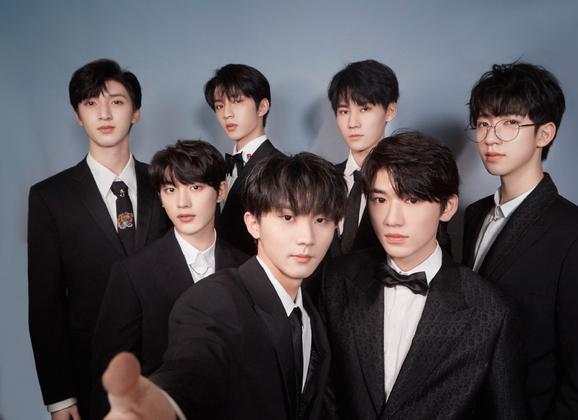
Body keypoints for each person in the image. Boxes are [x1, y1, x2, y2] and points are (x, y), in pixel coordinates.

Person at [101, 152, 347, 420]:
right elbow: (193, 367)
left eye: (321, 220)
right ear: (253, 224)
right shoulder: (214, 300)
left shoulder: (311, 313)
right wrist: (162, 404)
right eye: (288, 217)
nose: (307, 238)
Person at [320, 131, 526, 419]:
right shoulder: (336, 280)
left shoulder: (490, 311)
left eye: (412, 200)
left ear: (447, 207)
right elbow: (322, 396)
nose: (392, 219)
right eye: (380, 199)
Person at [462, 62, 578, 419]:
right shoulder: (474, 216)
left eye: (509, 123)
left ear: (544, 134)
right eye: (484, 123)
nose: (491, 138)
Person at [27, 58, 171, 419]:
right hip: (91, 378)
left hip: (168, 374)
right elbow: (45, 306)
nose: (104, 113)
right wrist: (60, 397)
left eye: (117, 102)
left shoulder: (168, 186)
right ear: (78, 116)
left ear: (136, 112)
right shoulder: (50, 197)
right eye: (91, 103)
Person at [90, 140, 248, 418]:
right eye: (171, 190)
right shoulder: (132, 274)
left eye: (195, 188)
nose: (182, 203)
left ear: (221, 191)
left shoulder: (247, 268)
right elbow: (111, 377)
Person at [204, 63, 284, 255]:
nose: (226, 114)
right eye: (219, 106)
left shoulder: (281, 168)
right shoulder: (217, 168)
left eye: (237, 101)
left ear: (262, 107)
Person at [326, 59, 398, 256]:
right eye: (344, 111)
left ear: (390, 111)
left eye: (364, 109)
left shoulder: (407, 180)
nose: (352, 123)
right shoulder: (324, 179)